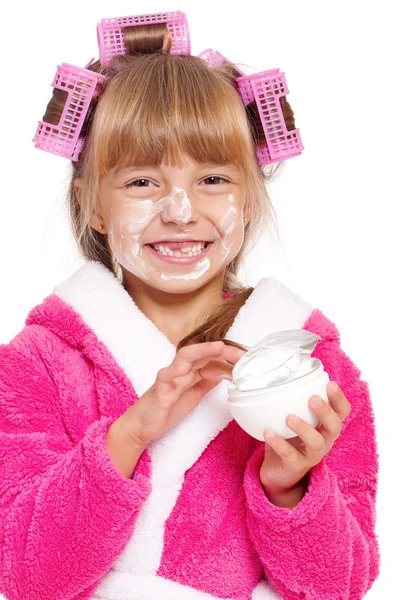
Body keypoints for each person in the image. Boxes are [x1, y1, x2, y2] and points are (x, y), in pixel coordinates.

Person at [0, 10, 380, 600]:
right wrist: (129, 434)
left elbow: (341, 589)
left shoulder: (312, 365)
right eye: (141, 183)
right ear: (92, 204)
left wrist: (289, 488)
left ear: (249, 195)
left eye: (212, 180)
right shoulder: (36, 364)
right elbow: (25, 578)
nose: (179, 211)